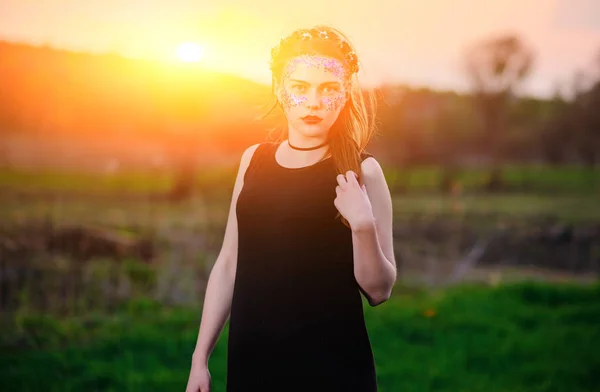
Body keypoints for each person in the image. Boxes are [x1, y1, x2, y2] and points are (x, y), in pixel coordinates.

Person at [185, 25, 397, 392]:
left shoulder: (363, 171)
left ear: (345, 94)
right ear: (279, 90)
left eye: (328, 89)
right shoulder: (253, 160)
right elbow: (228, 264)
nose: (313, 102)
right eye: (300, 87)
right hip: (252, 364)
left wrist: (362, 225)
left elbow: (379, 290)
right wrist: (199, 359)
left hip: (332, 370)